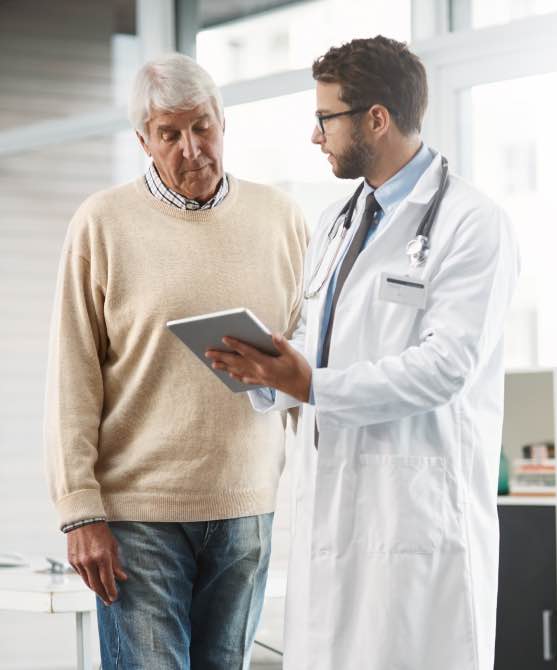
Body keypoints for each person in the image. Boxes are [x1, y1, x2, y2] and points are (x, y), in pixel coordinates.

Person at [205, 36, 520, 670]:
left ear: (376, 117)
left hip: (415, 520)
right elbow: (322, 342)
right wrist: (268, 368)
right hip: (332, 511)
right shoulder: (336, 222)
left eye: (326, 118)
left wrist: (313, 386)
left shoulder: (471, 223)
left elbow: (446, 366)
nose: (316, 136)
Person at [45, 53, 308, 670]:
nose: (191, 148)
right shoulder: (101, 224)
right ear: (143, 139)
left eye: (202, 127)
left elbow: (308, 360)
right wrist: (79, 510)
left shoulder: (282, 219)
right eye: (169, 133)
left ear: (222, 121)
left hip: (247, 510)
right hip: (140, 518)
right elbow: (72, 376)